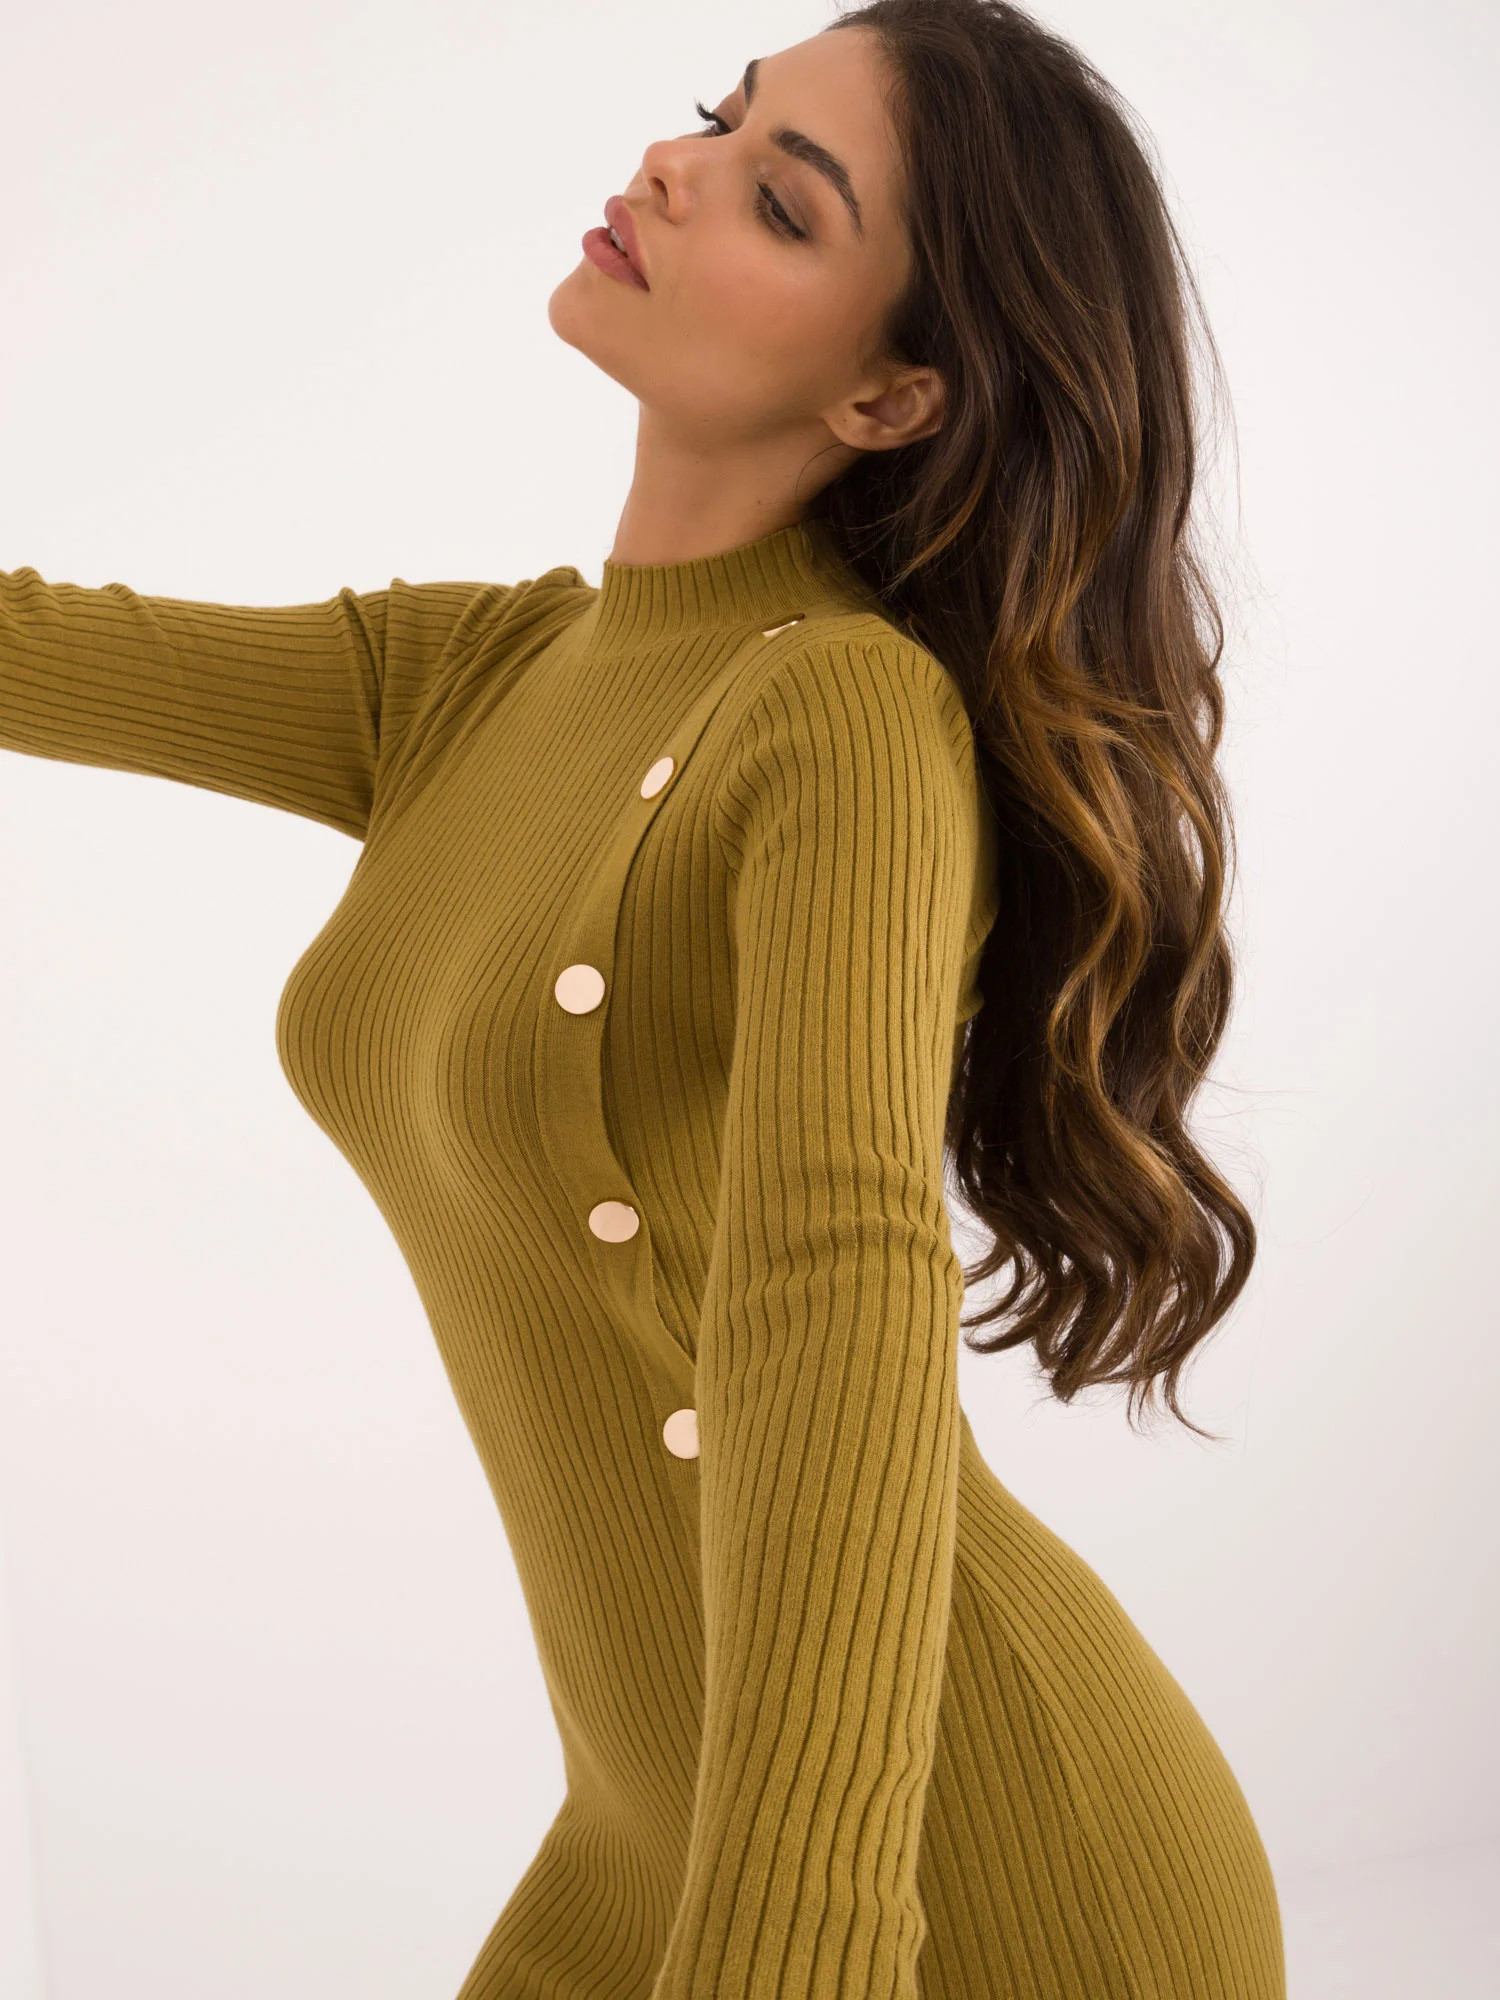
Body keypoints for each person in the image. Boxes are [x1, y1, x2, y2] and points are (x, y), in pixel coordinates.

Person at [0, 2, 1284, 1994]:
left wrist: (793, 1953)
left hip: (952, 1874)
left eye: (783, 200)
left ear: (893, 395)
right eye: (719, 116)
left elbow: (837, 1309)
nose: (677, 167)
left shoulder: (844, 721)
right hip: (638, 1832)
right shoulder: (480, 677)